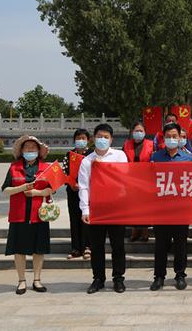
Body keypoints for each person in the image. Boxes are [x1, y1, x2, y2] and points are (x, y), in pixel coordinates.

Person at [79, 123, 129, 294]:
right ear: (94, 139)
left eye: (106, 137)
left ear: (111, 139)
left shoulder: (120, 156)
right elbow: (84, 186)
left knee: (118, 245)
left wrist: (103, 168)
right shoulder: (87, 161)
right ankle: (98, 278)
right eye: (99, 137)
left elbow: (124, 178)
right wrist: (85, 209)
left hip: (117, 207)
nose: (102, 140)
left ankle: (118, 278)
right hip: (97, 208)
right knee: (97, 246)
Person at [2, 135, 53, 295]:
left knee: (39, 249)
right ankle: (21, 280)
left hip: (39, 214)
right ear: (21, 150)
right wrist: (22, 188)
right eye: (27, 147)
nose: (30, 150)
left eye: (33, 147)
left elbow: (52, 189)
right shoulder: (13, 167)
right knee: (19, 249)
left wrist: (37, 192)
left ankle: (37, 279)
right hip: (19, 214)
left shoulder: (46, 168)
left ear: (39, 150)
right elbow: (5, 190)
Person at [149, 123, 192, 291]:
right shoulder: (156, 157)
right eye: (168, 136)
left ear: (181, 138)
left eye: (175, 136)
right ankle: (159, 276)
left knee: (181, 244)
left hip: (181, 208)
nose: (172, 139)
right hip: (161, 207)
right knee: (160, 244)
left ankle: (180, 275)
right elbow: (147, 181)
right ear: (163, 138)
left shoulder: (187, 158)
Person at [61, 128, 93, 260]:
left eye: (83, 138)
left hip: (88, 192)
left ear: (88, 140)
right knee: (74, 219)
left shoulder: (92, 154)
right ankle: (76, 248)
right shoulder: (69, 155)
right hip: (73, 192)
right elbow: (64, 173)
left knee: (86, 218)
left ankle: (88, 247)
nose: (81, 141)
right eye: (78, 138)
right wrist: (71, 183)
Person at [123, 122, 154, 243]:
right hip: (131, 180)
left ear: (145, 132)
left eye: (141, 131)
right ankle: (134, 231)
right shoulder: (126, 144)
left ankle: (145, 231)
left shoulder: (151, 144)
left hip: (146, 180)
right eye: (136, 131)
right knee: (133, 206)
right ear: (132, 132)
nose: (138, 133)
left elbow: (154, 159)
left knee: (145, 207)